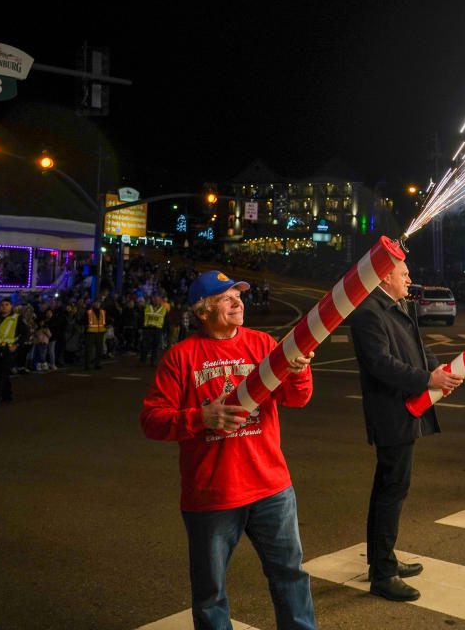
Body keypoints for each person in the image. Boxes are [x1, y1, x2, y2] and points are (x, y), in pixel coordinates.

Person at [140, 270, 317, 630]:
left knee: (290, 576)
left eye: (238, 295)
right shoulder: (181, 357)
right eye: (225, 297)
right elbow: (152, 421)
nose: (237, 301)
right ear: (203, 311)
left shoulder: (264, 344)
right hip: (212, 495)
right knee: (210, 593)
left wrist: (299, 371)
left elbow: (297, 399)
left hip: (271, 488)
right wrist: (202, 417)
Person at [350, 255, 463, 603]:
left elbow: (417, 346)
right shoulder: (369, 312)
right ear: (385, 277)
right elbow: (382, 364)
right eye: (403, 273)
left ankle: (382, 559)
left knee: (391, 490)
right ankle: (383, 574)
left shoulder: (395, 305)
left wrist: (439, 369)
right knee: (391, 492)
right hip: (392, 413)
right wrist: (428, 379)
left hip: (405, 410)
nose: (409, 278)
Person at [140, 293, 169, 366]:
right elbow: (141, 318)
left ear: (160, 301)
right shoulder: (146, 307)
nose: (156, 301)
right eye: (155, 299)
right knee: (145, 346)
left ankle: (153, 361)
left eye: (158, 299)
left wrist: (164, 331)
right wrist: (141, 328)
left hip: (158, 330)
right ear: (152, 300)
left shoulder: (164, 309)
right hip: (147, 329)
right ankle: (142, 361)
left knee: (155, 347)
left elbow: (166, 321)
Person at [85, 299, 107, 370]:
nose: (97, 304)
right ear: (93, 304)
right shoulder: (89, 312)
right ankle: (88, 365)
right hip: (91, 332)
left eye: (98, 303)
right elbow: (83, 320)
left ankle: (98, 364)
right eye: (96, 303)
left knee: (99, 349)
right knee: (89, 349)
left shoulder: (103, 312)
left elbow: (106, 320)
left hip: (100, 332)